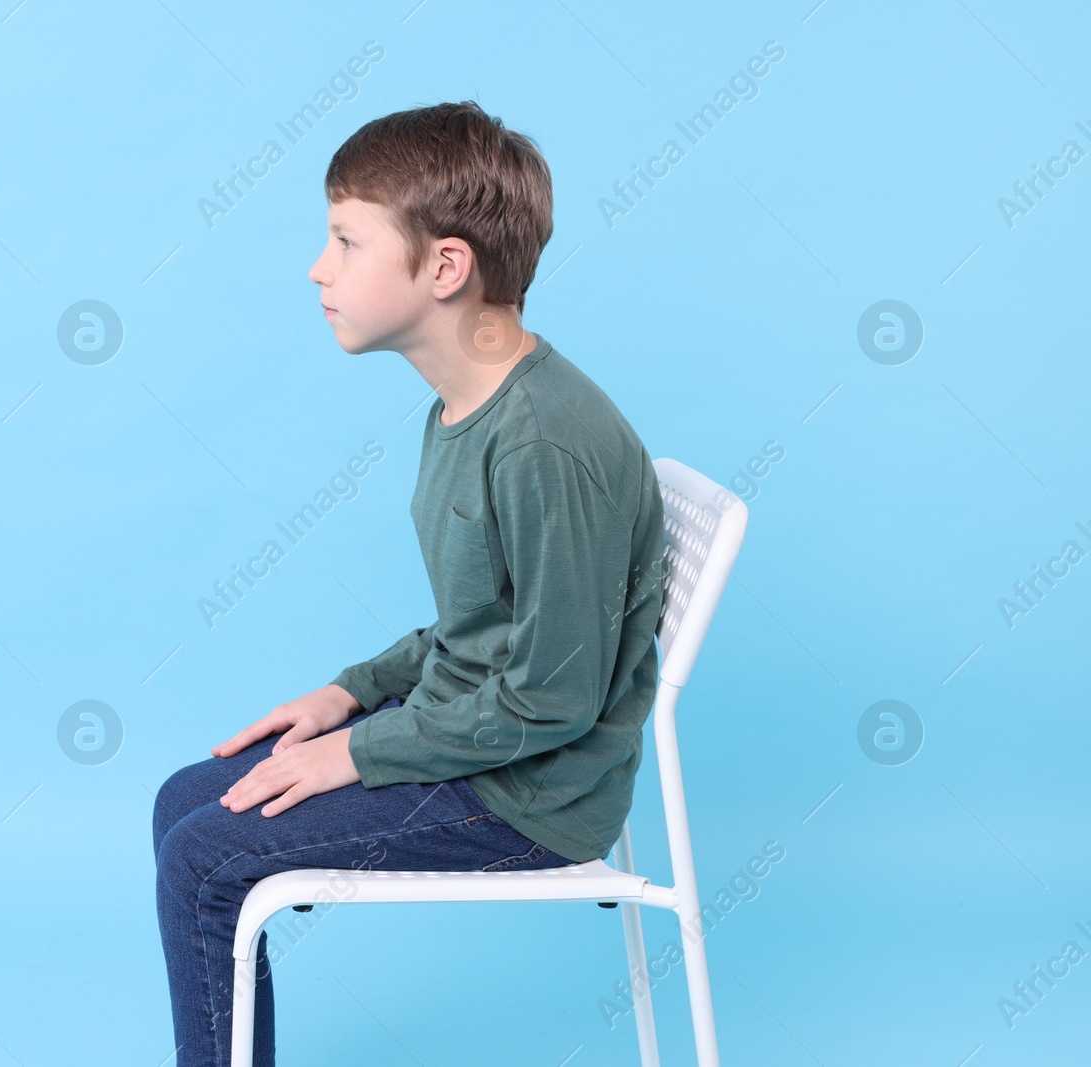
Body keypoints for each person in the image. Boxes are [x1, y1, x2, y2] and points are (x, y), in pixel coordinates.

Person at [152, 100, 668, 1067]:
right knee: (185, 797)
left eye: (347, 240)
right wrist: (354, 689)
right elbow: (481, 624)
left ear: (444, 267)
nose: (319, 267)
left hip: (531, 796)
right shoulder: (462, 406)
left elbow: (554, 693)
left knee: (203, 856)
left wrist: (360, 753)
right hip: (478, 737)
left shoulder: (546, 444)